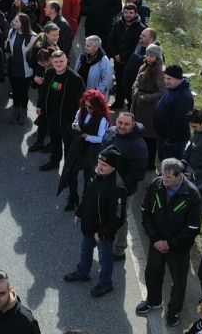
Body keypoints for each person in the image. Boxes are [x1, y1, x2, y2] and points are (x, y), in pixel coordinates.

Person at [136, 158, 202, 328]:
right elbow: (145, 211)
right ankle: (153, 301)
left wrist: (170, 243)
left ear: (180, 176)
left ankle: (174, 311)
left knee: (178, 282)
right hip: (157, 242)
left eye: (169, 178)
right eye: (163, 176)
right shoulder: (156, 185)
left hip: (178, 248)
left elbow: (192, 227)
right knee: (152, 273)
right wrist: (156, 239)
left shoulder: (192, 195)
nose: (164, 181)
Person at [64, 145, 128, 298]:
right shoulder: (95, 173)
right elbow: (87, 195)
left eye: (104, 165)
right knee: (85, 250)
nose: (100, 166)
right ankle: (83, 272)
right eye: (99, 162)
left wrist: (103, 233)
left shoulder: (118, 188)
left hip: (103, 232)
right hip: (88, 225)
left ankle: (106, 284)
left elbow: (118, 218)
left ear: (113, 167)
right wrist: (79, 212)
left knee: (105, 259)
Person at [58, 89, 112, 211]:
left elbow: (101, 138)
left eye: (91, 107)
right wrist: (74, 125)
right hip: (78, 147)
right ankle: (73, 198)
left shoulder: (102, 119)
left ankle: (85, 201)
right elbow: (76, 121)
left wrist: (86, 136)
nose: (88, 109)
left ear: (98, 106)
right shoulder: (82, 110)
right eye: (86, 105)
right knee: (71, 174)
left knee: (89, 179)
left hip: (91, 150)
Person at [107, 110, 149, 259]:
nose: (122, 126)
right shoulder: (111, 132)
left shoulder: (138, 146)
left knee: (120, 218)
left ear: (133, 125)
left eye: (126, 124)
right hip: (105, 185)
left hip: (123, 191)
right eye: (120, 122)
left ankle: (119, 249)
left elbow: (137, 174)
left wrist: (119, 187)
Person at [36, 50, 84, 171]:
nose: (59, 64)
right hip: (52, 115)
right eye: (56, 61)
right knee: (55, 141)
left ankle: (68, 171)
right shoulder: (49, 72)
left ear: (67, 60)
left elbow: (81, 103)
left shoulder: (75, 79)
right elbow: (44, 91)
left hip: (68, 119)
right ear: (51, 62)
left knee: (68, 146)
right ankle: (54, 161)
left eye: (61, 61)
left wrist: (79, 120)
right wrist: (39, 105)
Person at [107, 3, 145, 109]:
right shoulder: (118, 24)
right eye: (126, 12)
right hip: (118, 60)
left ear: (135, 13)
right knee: (119, 82)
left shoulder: (141, 28)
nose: (128, 15)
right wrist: (115, 54)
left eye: (131, 13)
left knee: (128, 85)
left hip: (130, 62)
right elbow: (111, 39)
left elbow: (136, 47)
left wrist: (122, 56)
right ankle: (118, 102)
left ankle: (130, 105)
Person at [154, 65, 194, 163]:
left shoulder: (184, 96)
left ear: (178, 79)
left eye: (169, 79)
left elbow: (181, 121)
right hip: (164, 137)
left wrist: (169, 139)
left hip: (174, 141)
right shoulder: (172, 88)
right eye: (165, 78)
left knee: (170, 166)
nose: (166, 81)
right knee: (163, 161)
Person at [5, 13, 36, 125]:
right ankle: (15, 112)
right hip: (13, 69)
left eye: (16, 21)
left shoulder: (33, 37)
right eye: (14, 21)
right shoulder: (11, 32)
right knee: (15, 92)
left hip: (26, 71)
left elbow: (35, 56)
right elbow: (7, 46)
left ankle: (23, 113)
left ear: (23, 23)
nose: (13, 23)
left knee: (23, 93)